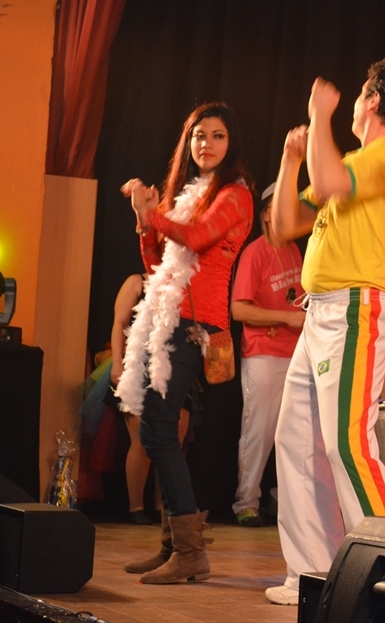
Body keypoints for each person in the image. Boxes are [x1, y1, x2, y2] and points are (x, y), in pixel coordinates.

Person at [264, 57, 385, 605]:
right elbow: (285, 225)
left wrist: (319, 115)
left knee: (348, 444)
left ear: (372, 101)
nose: (354, 103)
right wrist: (291, 159)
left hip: (358, 307)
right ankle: (312, 574)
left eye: (360, 95)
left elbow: (330, 180)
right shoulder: (353, 159)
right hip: (321, 313)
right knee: (295, 441)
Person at [117, 102, 254, 584]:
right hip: (170, 317)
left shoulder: (236, 195)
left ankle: (190, 550)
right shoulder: (191, 195)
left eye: (217, 135)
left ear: (231, 143)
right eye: (199, 135)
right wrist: (144, 221)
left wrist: (153, 214)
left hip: (197, 325)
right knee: (157, 430)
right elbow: (157, 267)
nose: (206, 143)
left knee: (158, 429)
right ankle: (174, 545)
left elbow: (196, 239)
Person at [229, 183, 305, 527]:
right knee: (258, 430)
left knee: (296, 433)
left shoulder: (295, 251)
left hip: (296, 352)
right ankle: (246, 502)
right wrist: (285, 318)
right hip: (264, 354)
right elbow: (239, 309)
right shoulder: (255, 253)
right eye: (281, 207)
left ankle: (281, 499)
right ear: (266, 215)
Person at [109, 273, 191, 525]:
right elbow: (120, 323)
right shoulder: (136, 282)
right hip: (139, 366)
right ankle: (136, 506)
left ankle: (163, 507)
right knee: (141, 441)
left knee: (172, 440)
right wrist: (117, 363)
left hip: (175, 368)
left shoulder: (185, 283)